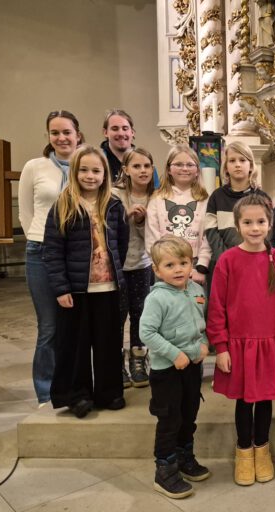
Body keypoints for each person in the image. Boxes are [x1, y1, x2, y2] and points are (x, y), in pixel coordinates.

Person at [207, 194, 275, 486]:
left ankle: (262, 451)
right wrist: (221, 346)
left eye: (260, 222)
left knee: (266, 400)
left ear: (269, 224)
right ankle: (244, 452)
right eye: (248, 222)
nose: (255, 228)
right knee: (244, 402)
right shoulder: (228, 260)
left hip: (269, 341)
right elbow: (217, 305)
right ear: (237, 225)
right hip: (239, 344)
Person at [43, 145, 129, 418]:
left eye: (96, 170)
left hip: (107, 286)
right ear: (74, 171)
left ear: (105, 174)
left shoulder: (113, 205)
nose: (90, 176)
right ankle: (77, 394)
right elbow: (53, 250)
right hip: (77, 288)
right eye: (84, 170)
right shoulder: (63, 204)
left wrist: (113, 272)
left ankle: (109, 392)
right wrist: (61, 288)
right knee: (75, 344)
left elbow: (121, 243)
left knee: (108, 342)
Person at [18, 110, 83, 406]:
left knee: (77, 324)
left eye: (67, 132)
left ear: (77, 134)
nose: (61, 138)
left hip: (76, 252)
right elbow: (26, 211)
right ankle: (46, 392)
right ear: (48, 137)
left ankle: (74, 385)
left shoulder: (88, 165)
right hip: (41, 251)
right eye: (55, 133)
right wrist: (40, 238)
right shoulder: (35, 166)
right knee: (49, 327)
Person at [140, 236, 210, 500]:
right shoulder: (157, 298)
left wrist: (203, 344)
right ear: (157, 270)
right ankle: (165, 469)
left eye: (183, 262)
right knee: (170, 419)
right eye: (170, 265)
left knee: (188, 414)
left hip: (193, 366)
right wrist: (174, 354)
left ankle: (184, 458)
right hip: (167, 371)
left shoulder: (196, 290)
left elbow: (200, 325)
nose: (178, 269)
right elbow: (146, 332)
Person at [112, 148, 155, 389]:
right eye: (137, 166)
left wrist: (141, 221)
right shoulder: (114, 194)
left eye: (147, 166)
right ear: (126, 170)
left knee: (140, 313)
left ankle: (139, 359)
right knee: (118, 314)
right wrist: (125, 217)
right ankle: (117, 360)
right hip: (117, 265)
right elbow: (106, 228)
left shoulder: (156, 197)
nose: (142, 171)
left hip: (142, 264)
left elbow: (153, 235)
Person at [204, 141, 271, 289]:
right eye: (232, 161)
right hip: (222, 262)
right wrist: (227, 257)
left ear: (251, 166)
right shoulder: (217, 196)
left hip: (254, 262)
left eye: (242, 160)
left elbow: (268, 231)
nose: (238, 165)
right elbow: (210, 230)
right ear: (226, 167)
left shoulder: (262, 197)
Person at [145, 145, 211, 284]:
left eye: (189, 165)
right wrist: (162, 264)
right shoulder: (157, 199)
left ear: (197, 170)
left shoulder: (205, 199)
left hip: (195, 266)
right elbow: (152, 236)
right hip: (165, 264)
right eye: (179, 164)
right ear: (169, 169)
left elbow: (208, 235)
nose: (185, 168)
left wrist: (202, 266)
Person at [100, 108, 160, 185]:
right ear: (105, 132)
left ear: (132, 132)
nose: (121, 133)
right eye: (115, 129)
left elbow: (155, 192)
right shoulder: (98, 160)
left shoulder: (145, 160)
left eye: (125, 128)